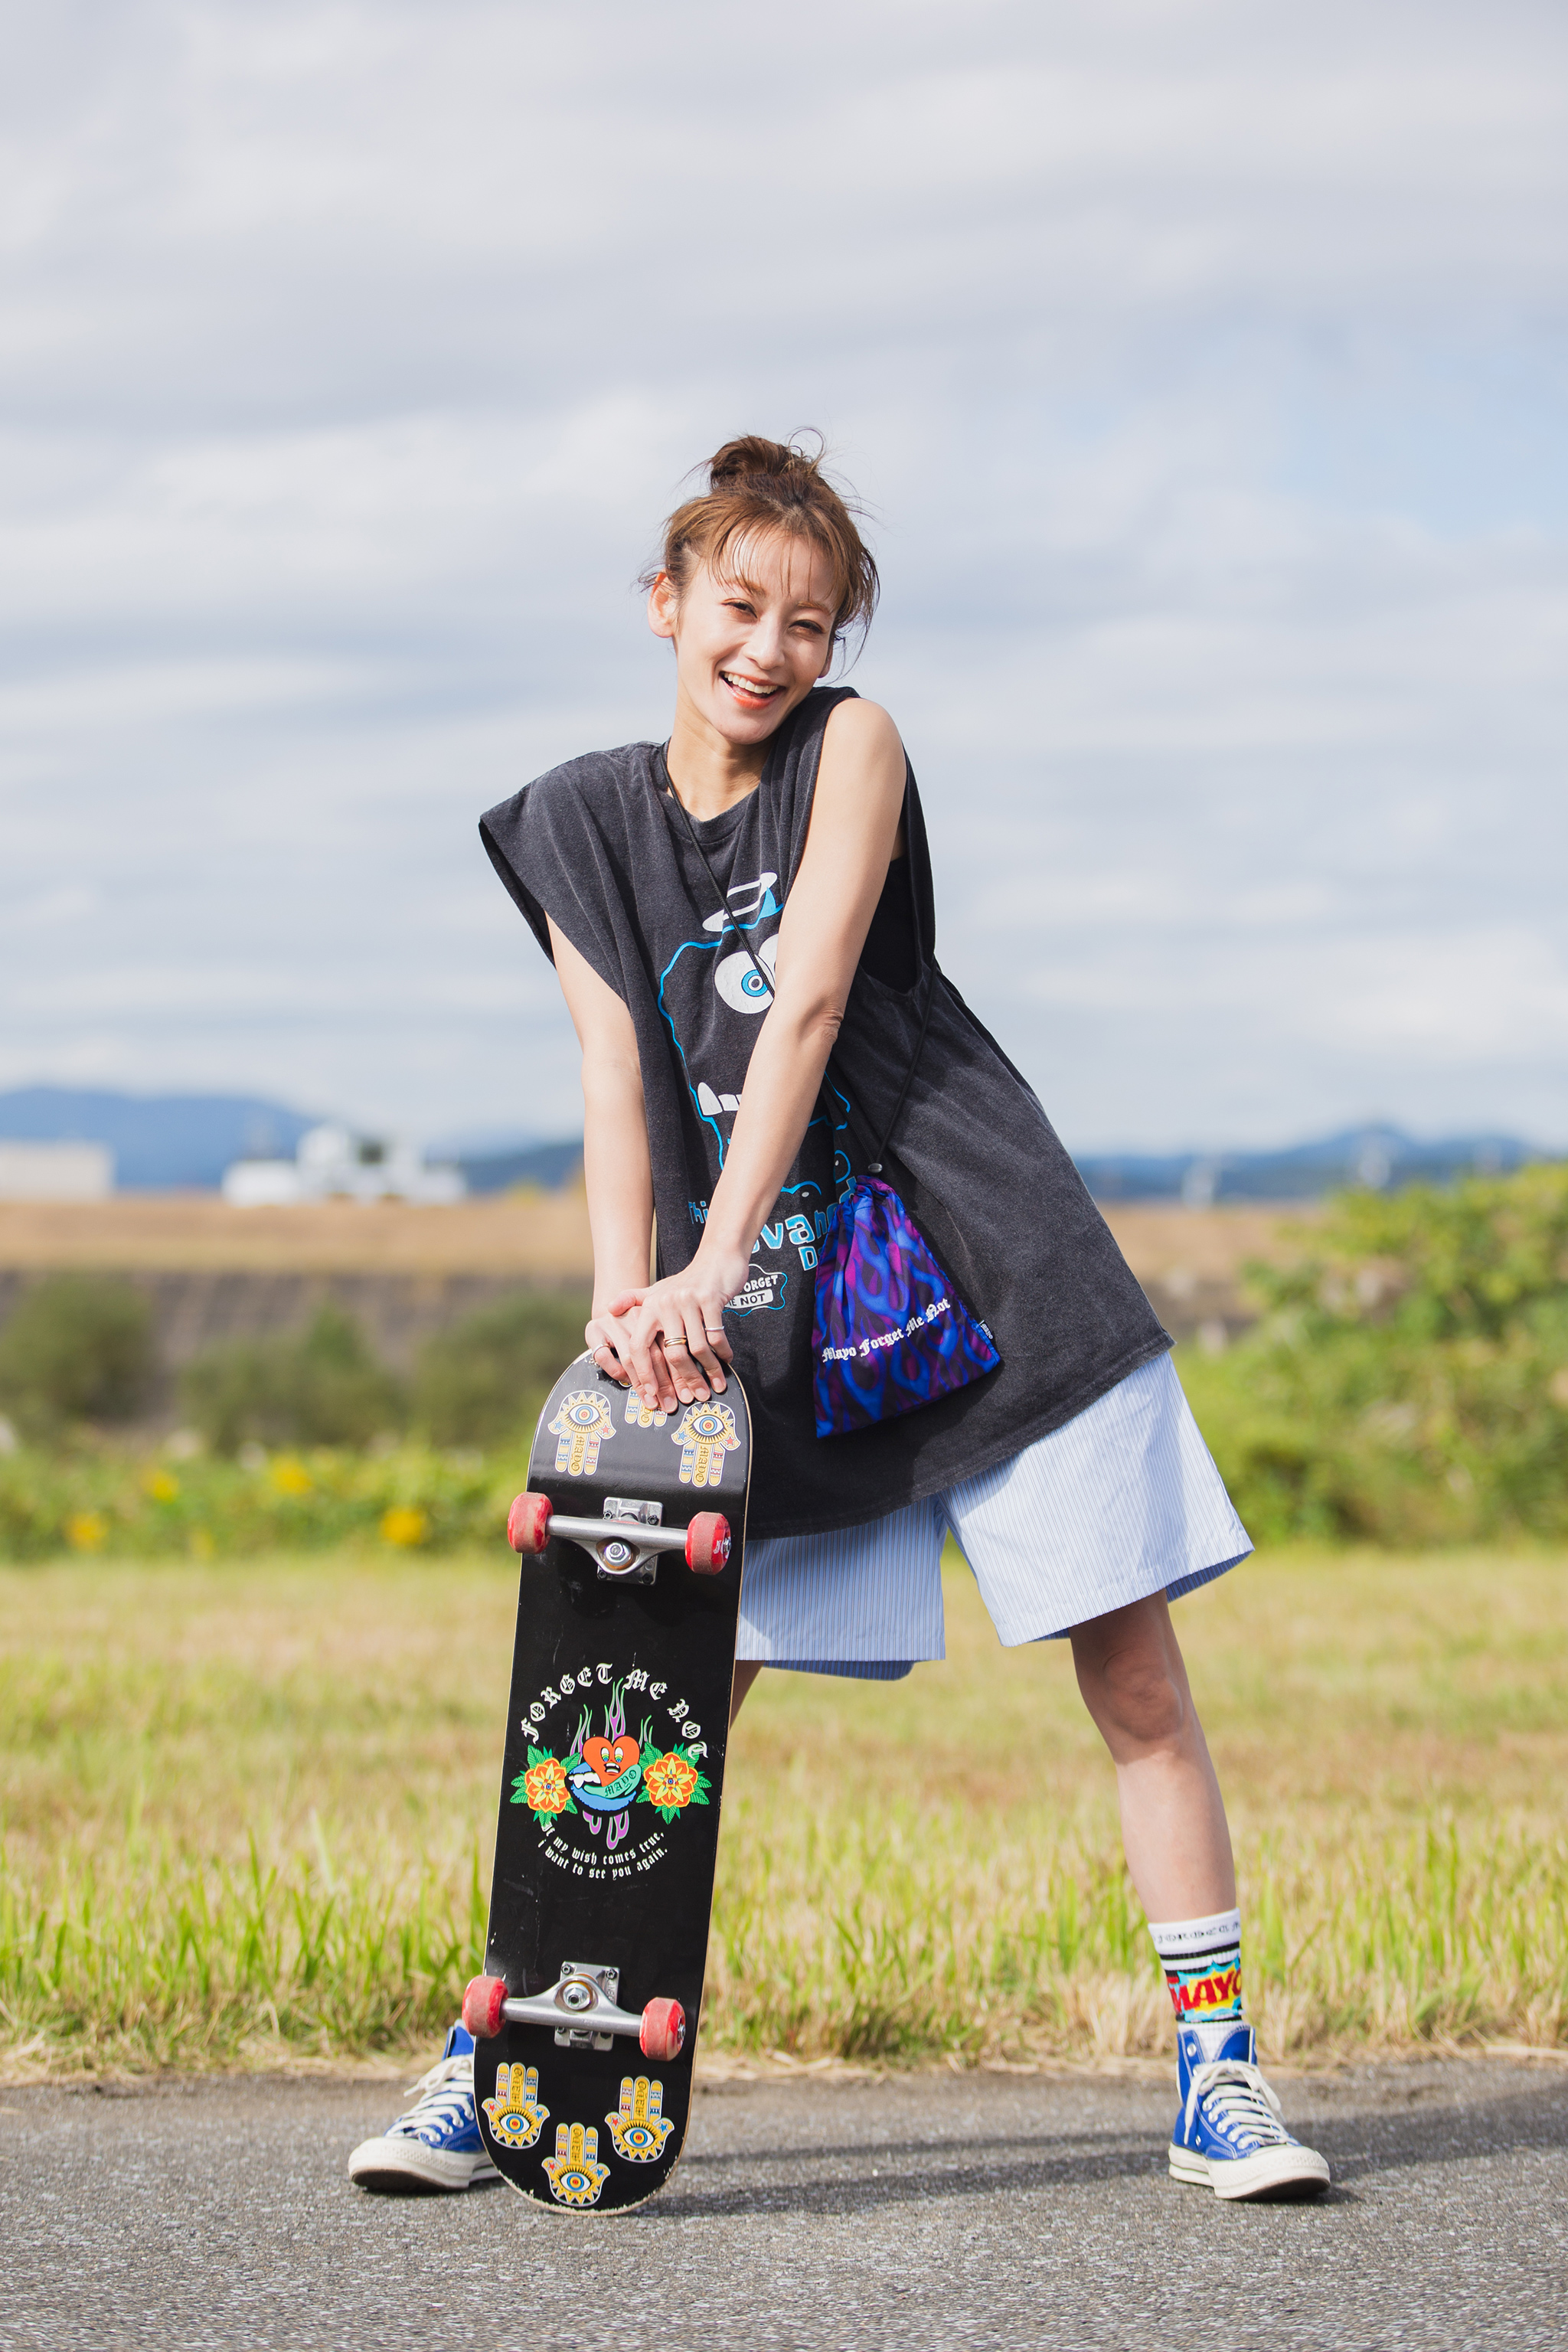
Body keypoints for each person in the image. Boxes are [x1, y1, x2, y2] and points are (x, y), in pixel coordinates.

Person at [349, 436, 1328, 2203]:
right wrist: (622, 1298)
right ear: (665, 602)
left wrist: (708, 1261)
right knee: (648, 1707)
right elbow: (612, 1077)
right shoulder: (576, 819)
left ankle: (1218, 2081)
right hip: (776, 1331)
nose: (772, 648)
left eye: (809, 621)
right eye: (740, 607)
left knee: (1132, 1679)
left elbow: (800, 1011)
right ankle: (507, 2067)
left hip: (985, 1262)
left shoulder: (850, 748)